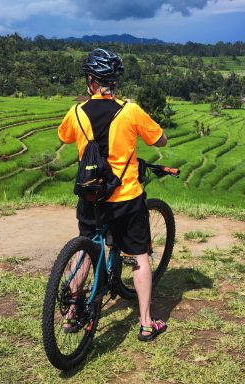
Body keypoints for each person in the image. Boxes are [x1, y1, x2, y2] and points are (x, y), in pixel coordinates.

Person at [57, 48, 168, 341]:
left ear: (90, 81)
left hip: (91, 196)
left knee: (86, 250)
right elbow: (160, 138)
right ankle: (146, 323)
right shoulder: (130, 110)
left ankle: (70, 315)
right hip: (126, 197)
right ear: (115, 82)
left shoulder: (77, 112)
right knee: (140, 255)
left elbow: (64, 136)